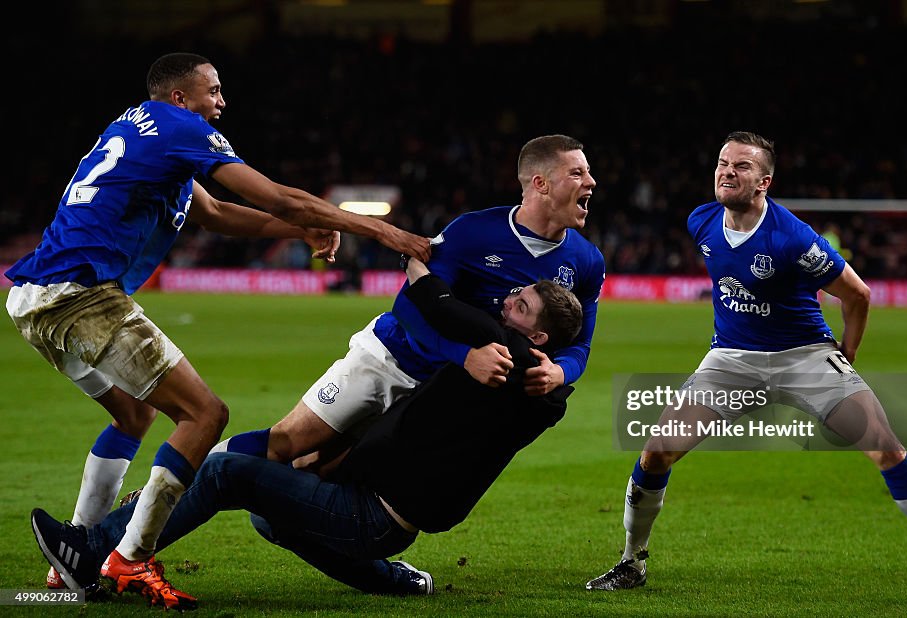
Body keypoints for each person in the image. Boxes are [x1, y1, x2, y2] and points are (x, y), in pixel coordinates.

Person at [9, 52, 430, 610]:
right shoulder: (179, 127)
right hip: (79, 294)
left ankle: (76, 555)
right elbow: (274, 196)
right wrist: (376, 230)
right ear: (180, 97)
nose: (222, 102)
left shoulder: (143, 134)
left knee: (134, 415)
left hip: (33, 296)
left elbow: (219, 215)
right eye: (213, 90)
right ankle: (129, 561)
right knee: (205, 415)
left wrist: (304, 229)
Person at [585, 131, 907, 604]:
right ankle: (631, 562)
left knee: (886, 448)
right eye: (723, 163)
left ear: (764, 181)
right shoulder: (701, 221)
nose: (727, 171)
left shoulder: (792, 237)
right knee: (657, 451)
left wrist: (845, 355)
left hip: (805, 357)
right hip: (731, 360)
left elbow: (858, 294)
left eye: (741, 166)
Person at [29, 257, 584, 602]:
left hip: (374, 514)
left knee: (227, 471)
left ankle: (95, 550)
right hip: (381, 508)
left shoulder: (509, 364)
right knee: (270, 517)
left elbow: (441, 305)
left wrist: (420, 269)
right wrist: (561, 372)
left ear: (536, 341)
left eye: (520, 304)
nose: (504, 301)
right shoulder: (536, 387)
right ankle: (391, 580)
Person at [210, 134, 605, 475]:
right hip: (391, 358)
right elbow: (411, 306)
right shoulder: (474, 232)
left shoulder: (587, 262)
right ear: (540, 184)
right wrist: (464, 354)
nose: (591, 181)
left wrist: (560, 372)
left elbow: (580, 345)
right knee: (287, 444)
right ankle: (183, 480)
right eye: (577, 173)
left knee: (346, 475)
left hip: (444, 392)